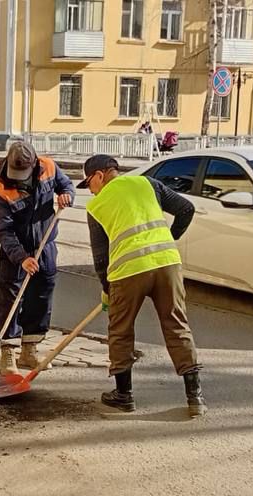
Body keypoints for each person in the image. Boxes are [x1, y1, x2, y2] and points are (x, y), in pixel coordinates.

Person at [79, 154, 204, 416]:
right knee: (177, 325)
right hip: (167, 264)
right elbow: (186, 209)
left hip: (129, 271)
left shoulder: (97, 206)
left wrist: (107, 288)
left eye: (89, 182)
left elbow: (101, 257)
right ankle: (195, 398)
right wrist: (169, 239)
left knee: (120, 330)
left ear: (100, 175)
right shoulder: (148, 183)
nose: (90, 190)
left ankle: (124, 395)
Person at [0, 140, 76, 375]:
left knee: (41, 295)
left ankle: (29, 349)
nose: (18, 177)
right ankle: (7, 353)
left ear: (34, 163)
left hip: (45, 245)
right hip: (16, 252)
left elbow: (66, 185)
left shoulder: (48, 166)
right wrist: (21, 258)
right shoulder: (2, 188)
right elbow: (4, 231)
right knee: (10, 299)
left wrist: (67, 195)